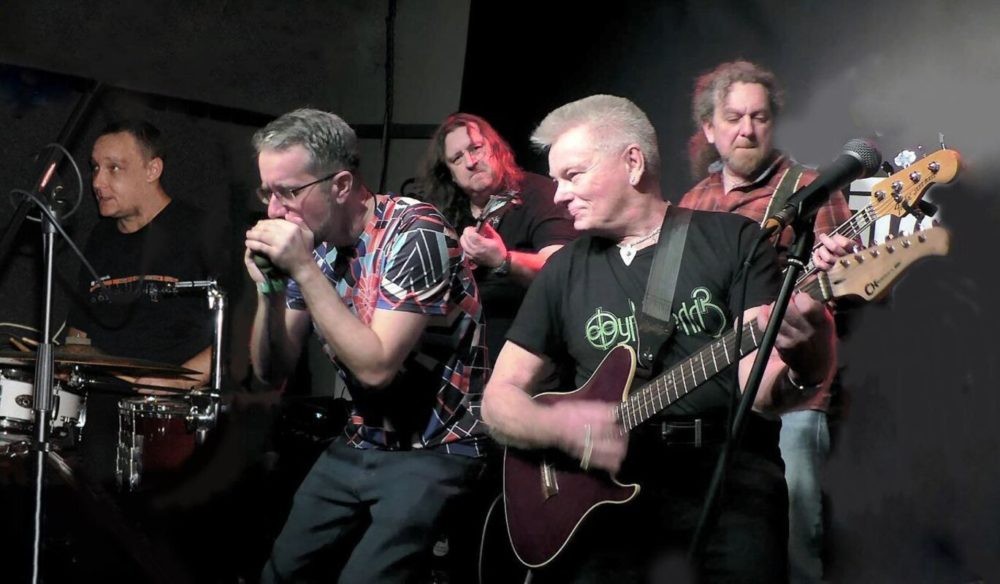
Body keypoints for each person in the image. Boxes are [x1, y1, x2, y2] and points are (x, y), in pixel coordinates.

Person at [481, 94, 838, 582]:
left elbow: (763, 393)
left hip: (724, 484)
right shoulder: (563, 270)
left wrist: (810, 350)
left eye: (573, 175)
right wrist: (565, 428)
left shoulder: (734, 240)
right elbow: (498, 401)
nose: (558, 194)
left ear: (632, 163)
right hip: (602, 500)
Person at [245, 108, 490, 583]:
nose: (274, 211)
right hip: (363, 439)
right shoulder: (314, 245)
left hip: (437, 447)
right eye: (267, 193)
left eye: (288, 192)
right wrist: (269, 290)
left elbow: (377, 368)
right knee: (279, 572)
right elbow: (271, 371)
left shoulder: (416, 232)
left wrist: (302, 270)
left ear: (340, 185)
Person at [679, 60, 854, 583]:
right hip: (713, 392)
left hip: (789, 391)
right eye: (734, 118)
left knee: (796, 536)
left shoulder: (810, 188)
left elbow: (845, 283)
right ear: (710, 129)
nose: (747, 129)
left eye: (759, 117)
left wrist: (837, 265)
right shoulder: (693, 201)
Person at [67, 119, 219, 486]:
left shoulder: (201, 232)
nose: (98, 182)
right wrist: (67, 363)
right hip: (102, 417)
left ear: (153, 169)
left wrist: (181, 381)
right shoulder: (100, 238)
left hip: (174, 418)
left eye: (114, 168)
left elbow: (244, 331)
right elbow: (79, 331)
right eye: (95, 168)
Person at [421, 113, 576, 365]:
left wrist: (503, 261)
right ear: (449, 174)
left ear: (496, 148)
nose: (470, 162)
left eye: (476, 148)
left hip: (522, 353)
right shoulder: (446, 214)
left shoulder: (540, 194)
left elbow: (561, 271)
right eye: (457, 158)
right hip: (453, 354)